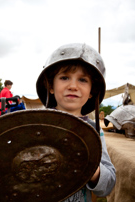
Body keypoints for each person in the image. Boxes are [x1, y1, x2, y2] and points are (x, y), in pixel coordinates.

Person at [36, 43, 116, 202]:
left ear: (92, 91)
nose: (73, 86)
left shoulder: (94, 131)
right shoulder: (35, 124)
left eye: (83, 80)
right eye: (64, 77)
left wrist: (92, 170)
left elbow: (108, 185)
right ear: (50, 86)